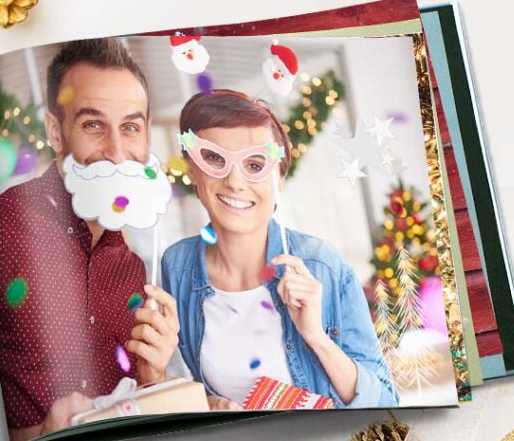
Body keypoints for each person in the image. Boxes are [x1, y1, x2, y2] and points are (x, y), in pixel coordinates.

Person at [0, 38, 181, 441]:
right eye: (93, 125)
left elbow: (136, 409)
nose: (117, 153)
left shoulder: (135, 267)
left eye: (131, 127)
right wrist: (41, 435)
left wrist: (153, 377)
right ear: (55, 131)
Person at [161, 89, 398, 408]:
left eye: (255, 164)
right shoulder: (177, 266)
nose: (234, 181)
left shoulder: (321, 265)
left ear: (279, 181)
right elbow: (177, 387)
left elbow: (386, 401)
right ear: (192, 170)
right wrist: (210, 403)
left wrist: (316, 338)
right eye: (215, 158)